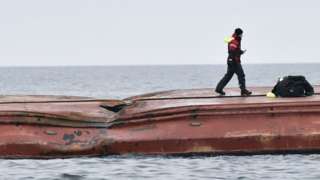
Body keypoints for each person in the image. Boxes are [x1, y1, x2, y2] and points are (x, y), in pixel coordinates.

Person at [215, 28, 252, 96]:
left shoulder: (235, 39)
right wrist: (232, 60)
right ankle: (243, 90)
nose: (242, 36)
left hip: (232, 60)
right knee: (241, 75)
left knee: (228, 76)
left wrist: (241, 52)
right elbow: (232, 51)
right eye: (241, 34)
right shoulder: (234, 40)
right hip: (234, 61)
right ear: (239, 34)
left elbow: (235, 50)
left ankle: (219, 89)